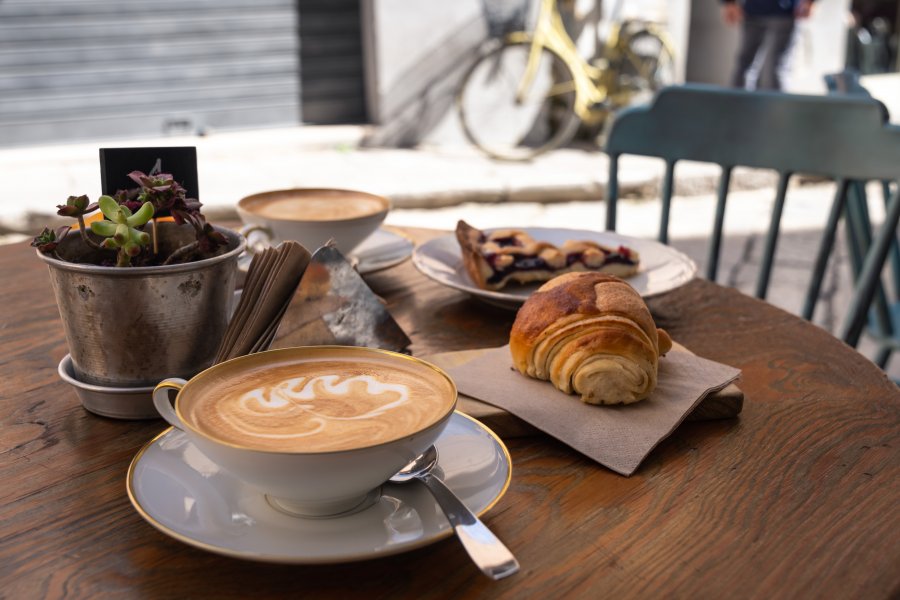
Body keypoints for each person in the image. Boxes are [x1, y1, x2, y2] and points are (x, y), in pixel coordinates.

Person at [721, 0, 814, 91]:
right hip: (753, 12)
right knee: (745, 65)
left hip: (784, 12)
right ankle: (737, 104)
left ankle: (775, 105)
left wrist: (810, 2)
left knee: (774, 69)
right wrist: (729, 3)